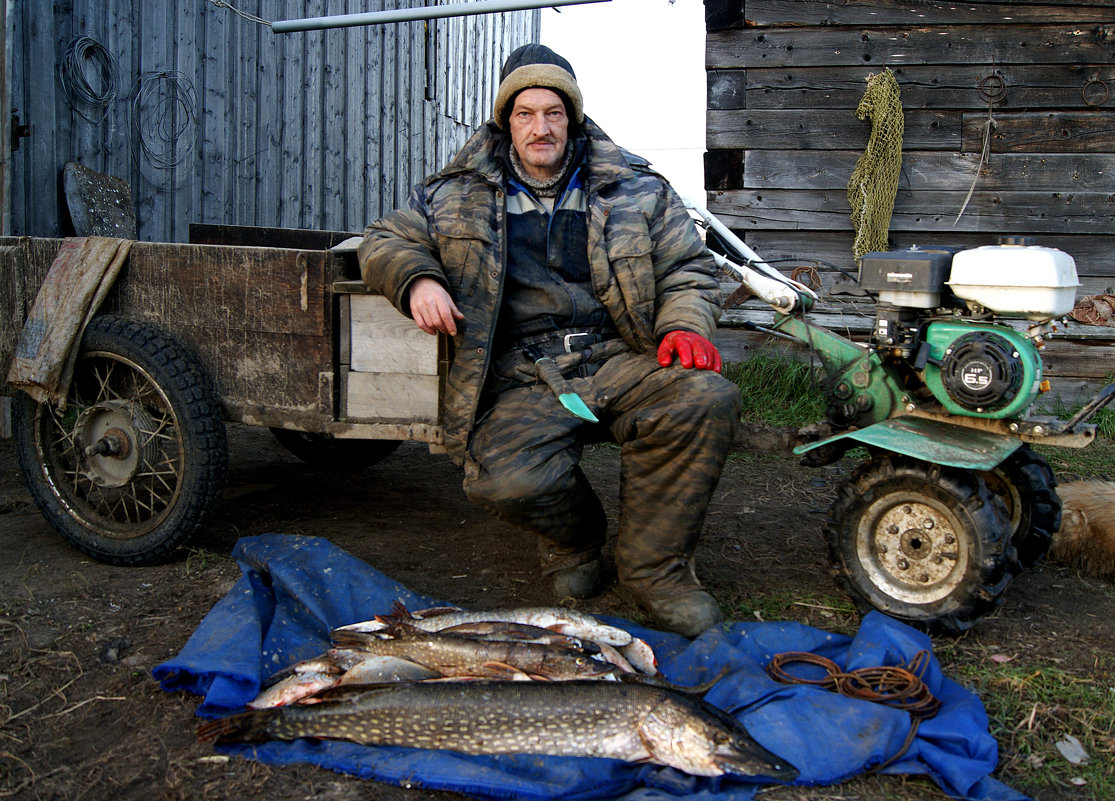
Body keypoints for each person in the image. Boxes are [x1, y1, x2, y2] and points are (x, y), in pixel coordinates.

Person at [358, 44, 741, 637]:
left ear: (574, 117)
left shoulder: (633, 188)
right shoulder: (455, 192)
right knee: (503, 479)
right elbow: (383, 240)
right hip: (522, 371)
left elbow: (687, 269)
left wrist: (685, 326)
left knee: (704, 397)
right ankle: (576, 542)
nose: (541, 128)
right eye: (525, 113)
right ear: (505, 121)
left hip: (617, 354)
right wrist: (418, 279)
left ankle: (656, 572)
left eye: (554, 112)